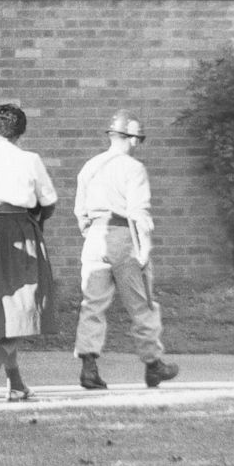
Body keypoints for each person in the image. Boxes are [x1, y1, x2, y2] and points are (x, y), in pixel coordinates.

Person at [73, 110, 179, 390]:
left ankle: (88, 367)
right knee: (141, 303)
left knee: (92, 305)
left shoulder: (90, 166)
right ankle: (153, 364)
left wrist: (91, 232)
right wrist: (144, 250)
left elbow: (79, 211)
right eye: (138, 140)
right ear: (131, 139)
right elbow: (138, 213)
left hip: (95, 236)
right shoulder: (133, 168)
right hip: (123, 236)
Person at [0, 104, 58, 402]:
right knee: (27, 302)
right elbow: (49, 199)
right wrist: (38, 220)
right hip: (18, 225)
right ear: (22, 132)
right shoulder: (29, 159)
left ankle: (16, 383)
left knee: (3, 304)